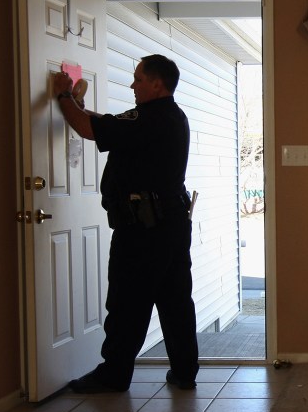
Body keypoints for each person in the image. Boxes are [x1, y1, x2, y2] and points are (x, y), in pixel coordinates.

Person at [52, 54, 198, 392]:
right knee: (175, 300)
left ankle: (114, 374)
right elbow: (106, 123)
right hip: (170, 224)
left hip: (143, 230)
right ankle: (184, 372)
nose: (133, 85)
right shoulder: (169, 117)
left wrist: (62, 96)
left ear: (157, 84)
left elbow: (89, 128)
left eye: (139, 79)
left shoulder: (149, 118)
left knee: (126, 301)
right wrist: (76, 104)